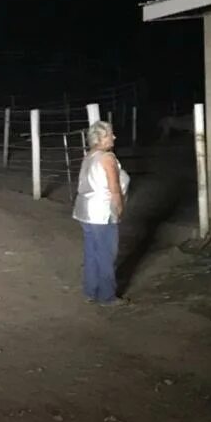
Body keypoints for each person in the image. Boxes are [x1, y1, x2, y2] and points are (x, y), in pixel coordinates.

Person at [73, 121, 130, 305]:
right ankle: (107, 296)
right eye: (110, 134)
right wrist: (119, 208)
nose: (113, 137)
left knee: (92, 251)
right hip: (102, 211)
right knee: (107, 253)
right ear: (100, 138)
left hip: (85, 210)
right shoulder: (107, 158)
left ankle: (91, 291)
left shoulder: (89, 156)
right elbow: (114, 186)